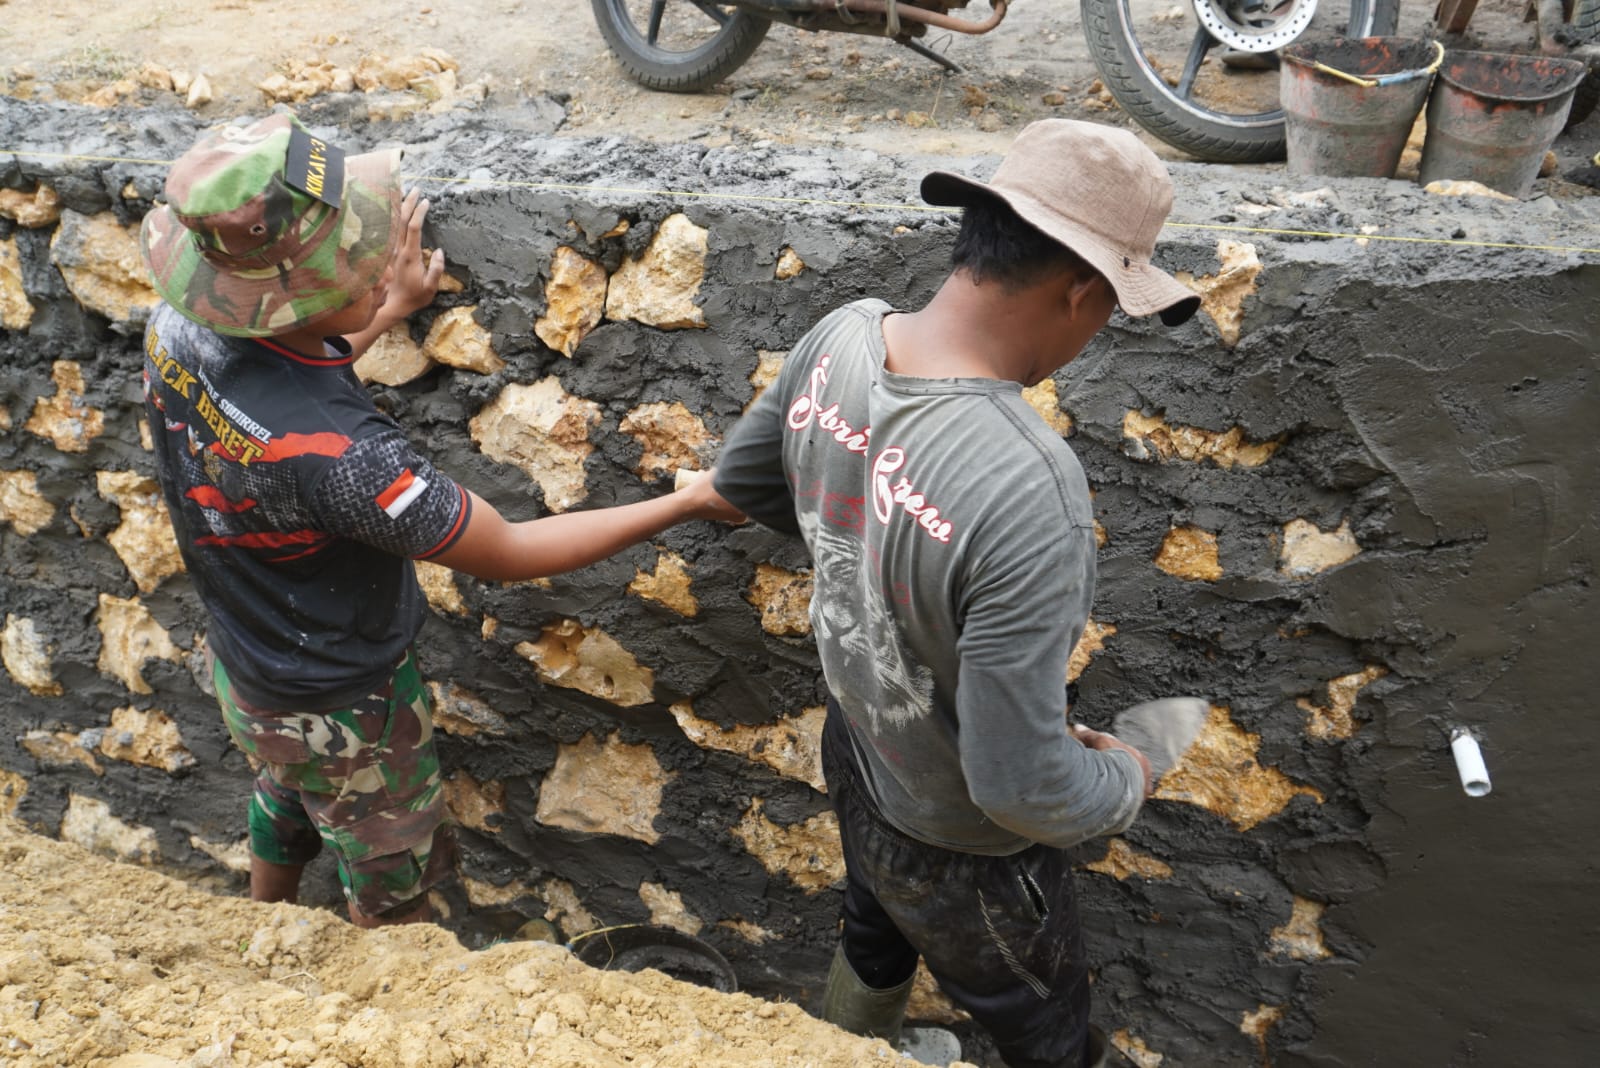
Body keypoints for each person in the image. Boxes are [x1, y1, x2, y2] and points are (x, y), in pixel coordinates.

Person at [138, 111, 740, 929]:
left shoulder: (178, 329)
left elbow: (272, 413)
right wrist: (688, 500)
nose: (378, 254)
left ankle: (260, 924)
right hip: (344, 705)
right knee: (391, 875)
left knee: (286, 789)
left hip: (249, 667)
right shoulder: (357, 467)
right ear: (304, 295)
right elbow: (512, 552)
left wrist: (380, 314)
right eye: (359, 256)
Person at [712, 119, 1201, 1068]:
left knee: (874, 924)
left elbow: (750, 489)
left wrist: (871, 532)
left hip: (861, 750)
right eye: (1113, 310)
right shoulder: (1029, 485)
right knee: (1045, 1033)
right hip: (966, 846)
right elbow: (1019, 788)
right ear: (1084, 292)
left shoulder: (840, 339)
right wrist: (1132, 771)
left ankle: (848, 1049)